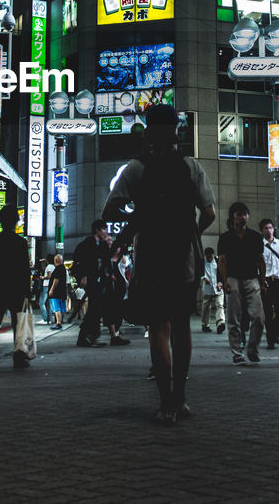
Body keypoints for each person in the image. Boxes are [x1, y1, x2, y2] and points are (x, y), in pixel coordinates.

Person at [102, 104, 216, 423]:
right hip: (184, 256)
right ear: (177, 131)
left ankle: (165, 403)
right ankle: (180, 399)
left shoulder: (136, 168)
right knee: (181, 326)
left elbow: (109, 211)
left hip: (151, 255)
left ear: (149, 131)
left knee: (159, 329)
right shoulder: (191, 167)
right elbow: (209, 214)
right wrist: (189, 230)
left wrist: (137, 217)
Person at [0, 205, 32, 373]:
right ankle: (19, 358)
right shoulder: (20, 243)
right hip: (16, 290)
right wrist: (27, 290)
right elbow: (25, 270)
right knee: (18, 326)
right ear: (15, 222)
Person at [218, 202, 266, 365]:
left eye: (245, 214)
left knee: (259, 317)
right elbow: (222, 261)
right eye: (239, 214)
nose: (242, 217)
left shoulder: (255, 237)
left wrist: (262, 281)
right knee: (233, 318)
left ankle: (252, 349)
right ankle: (237, 353)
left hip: (252, 279)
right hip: (233, 279)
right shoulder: (225, 238)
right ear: (233, 217)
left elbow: (261, 261)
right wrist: (224, 281)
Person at [73, 221, 114, 347]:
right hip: (90, 279)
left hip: (98, 280)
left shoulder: (101, 245)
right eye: (103, 229)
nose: (105, 232)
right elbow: (82, 261)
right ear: (97, 230)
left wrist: (108, 244)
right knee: (95, 307)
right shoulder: (87, 244)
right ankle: (86, 336)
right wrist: (83, 276)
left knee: (96, 307)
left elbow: (106, 260)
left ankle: (91, 336)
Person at [259, 218, 279, 349]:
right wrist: (261, 281)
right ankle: (271, 338)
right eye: (266, 228)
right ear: (262, 230)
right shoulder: (260, 246)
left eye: (270, 228)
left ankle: (274, 332)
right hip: (267, 282)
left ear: (274, 229)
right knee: (268, 312)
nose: (269, 230)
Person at [199, 247, 225, 333]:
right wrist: (204, 278)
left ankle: (220, 323)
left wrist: (221, 282)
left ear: (213, 255)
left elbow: (223, 271)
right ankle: (205, 325)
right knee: (206, 306)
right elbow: (198, 271)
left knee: (220, 305)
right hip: (208, 288)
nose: (209, 258)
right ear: (205, 256)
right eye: (208, 257)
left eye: (211, 257)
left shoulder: (218, 261)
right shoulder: (202, 262)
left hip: (218, 287)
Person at [47, 255, 68, 329]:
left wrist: (51, 290)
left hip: (56, 293)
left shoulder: (58, 269)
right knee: (61, 308)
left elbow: (56, 280)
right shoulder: (63, 269)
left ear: (56, 261)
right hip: (62, 292)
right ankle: (60, 321)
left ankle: (58, 323)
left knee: (56, 308)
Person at [33, 257, 50, 323]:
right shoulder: (50, 267)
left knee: (41, 303)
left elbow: (48, 276)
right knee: (47, 304)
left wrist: (42, 277)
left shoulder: (48, 268)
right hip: (47, 287)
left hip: (46, 286)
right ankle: (49, 319)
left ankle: (45, 319)